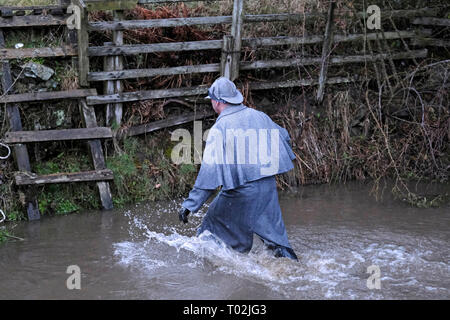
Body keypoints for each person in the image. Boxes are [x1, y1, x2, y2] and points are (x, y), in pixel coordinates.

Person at [178, 77, 298, 261]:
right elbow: (285, 136)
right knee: (276, 242)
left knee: (209, 230)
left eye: (211, 99)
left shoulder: (220, 128)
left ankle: (221, 269)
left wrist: (190, 205)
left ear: (217, 101)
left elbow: (209, 175)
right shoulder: (259, 116)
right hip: (267, 188)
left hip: (241, 192)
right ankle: (295, 270)